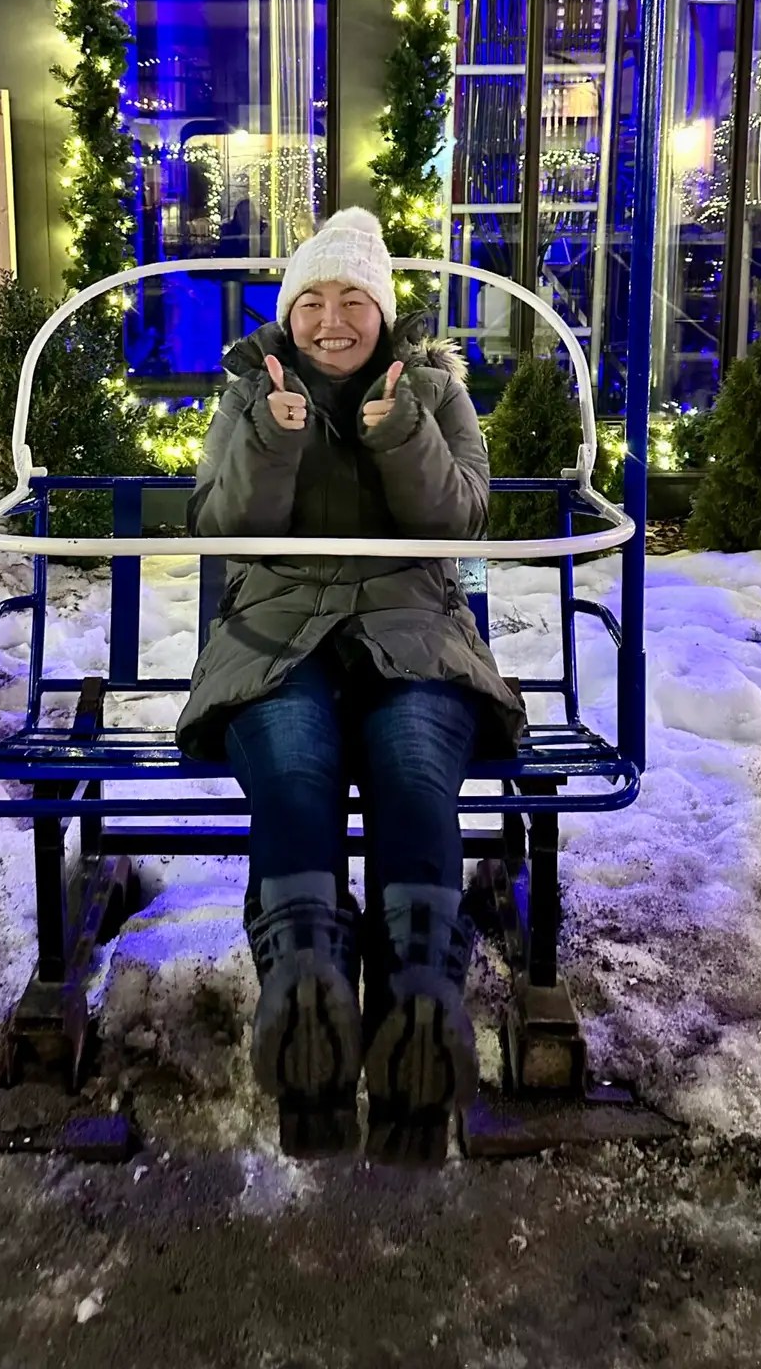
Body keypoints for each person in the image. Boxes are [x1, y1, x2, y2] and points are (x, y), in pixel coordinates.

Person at [175, 208, 525, 1163]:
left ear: (382, 310)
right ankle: (310, 994)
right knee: (293, 773)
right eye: (314, 301)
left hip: (410, 635)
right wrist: (275, 440)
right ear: (290, 312)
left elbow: (460, 522)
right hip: (277, 638)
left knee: (414, 769)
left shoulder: (434, 389)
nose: (333, 321)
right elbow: (220, 525)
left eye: (354, 301)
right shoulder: (250, 392)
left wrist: (401, 430)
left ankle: (419, 996)